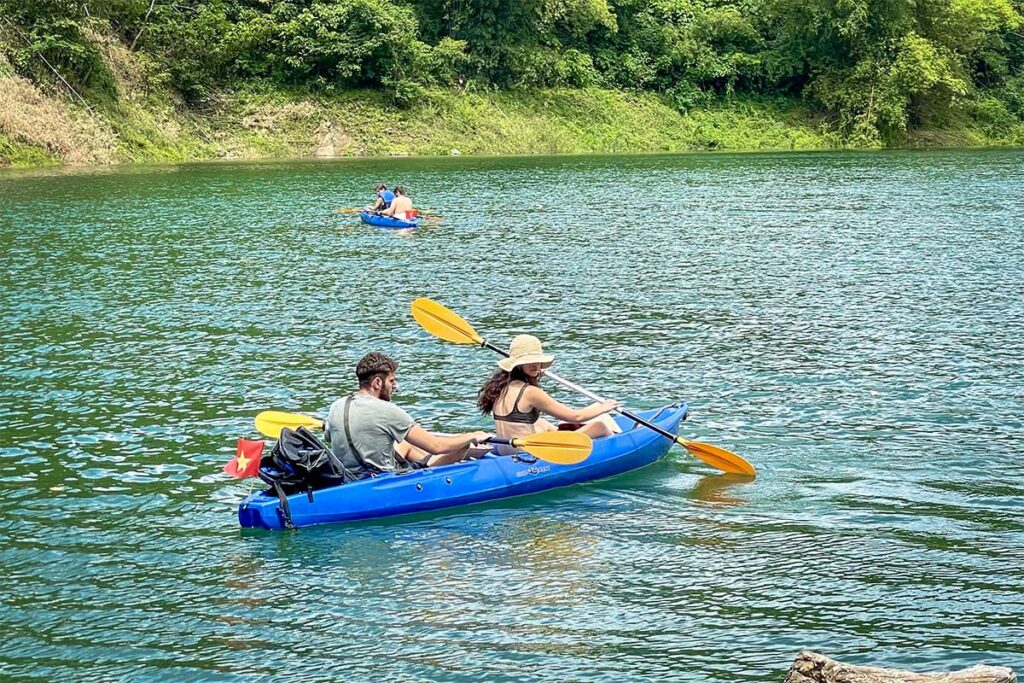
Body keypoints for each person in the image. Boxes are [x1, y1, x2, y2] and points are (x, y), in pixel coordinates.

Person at [326, 352, 491, 479]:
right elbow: (437, 446)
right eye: (391, 381)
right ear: (377, 383)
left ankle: (425, 462)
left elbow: (329, 437)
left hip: (349, 477)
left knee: (404, 442)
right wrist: (472, 436)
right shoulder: (387, 410)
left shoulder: (337, 406)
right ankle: (430, 468)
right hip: (382, 479)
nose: (395, 386)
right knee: (461, 447)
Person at [477, 335, 621, 453]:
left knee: (542, 423)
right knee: (599, 425)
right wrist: (604, 407)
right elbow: (576, 416)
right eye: (529, 362)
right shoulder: (530, 392)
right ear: (517, 365)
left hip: (505, 450)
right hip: (526, 452)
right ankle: (618, 450)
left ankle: (569, 434)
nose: (535, 365)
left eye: (538, 361)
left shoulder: (500, 386)